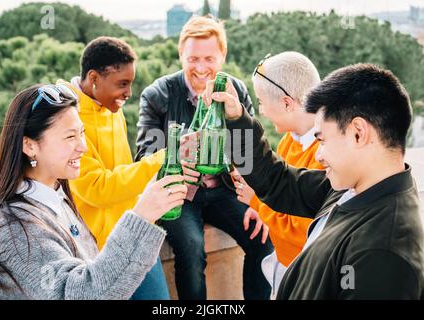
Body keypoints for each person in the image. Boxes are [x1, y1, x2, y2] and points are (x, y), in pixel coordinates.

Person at [204, 63, 424, 299]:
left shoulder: (383, 254)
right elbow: (277, 181)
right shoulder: (353, 189)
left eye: (323, 140)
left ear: (359, 133)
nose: (319, 155)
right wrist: (236, 118)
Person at [0, 84, 187, 299]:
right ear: (29, 146)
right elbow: (84, 294)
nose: (83, 147)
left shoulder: (57, 199)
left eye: (82, 133)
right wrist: (142, 215)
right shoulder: (15, 227)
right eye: (70, 137)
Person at [135, 16, 273, 300]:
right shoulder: (158, 94)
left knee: (262, 239)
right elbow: (144, 155)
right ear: (180, 56)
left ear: (222, 56)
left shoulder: (236, 89)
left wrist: (257, 195)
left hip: (223, 190)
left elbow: (252, 149)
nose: (200, 68)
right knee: (191, 247)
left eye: (209, 58)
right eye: (192, 58)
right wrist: (175, 152)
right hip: (179, 195)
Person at [58, 37, 173, 299]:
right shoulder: (68, 120)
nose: (128, 93)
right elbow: (96, 188)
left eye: (130, 84)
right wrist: (161, 158)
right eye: (122, 84)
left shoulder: (112, 107)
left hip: (136, 231)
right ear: (94, 77)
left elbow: (124, 170)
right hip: (97, 252)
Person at [230, 51, 322, 297]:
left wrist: (257, 200)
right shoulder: (287, 143)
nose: (261, 111)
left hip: (307, 275)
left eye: (260, 101)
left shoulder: (324, 156)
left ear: (287, 103)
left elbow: (302, 234)